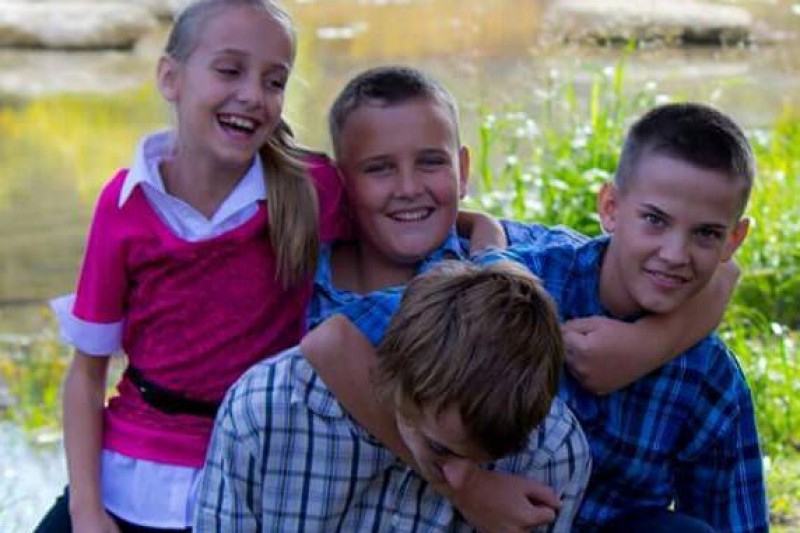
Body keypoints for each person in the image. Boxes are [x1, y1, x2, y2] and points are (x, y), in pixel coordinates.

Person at [316, 101, 769, 532]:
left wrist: (650, 345)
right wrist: (467, 489)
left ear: (734, 240)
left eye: (706, 234)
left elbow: (734, 520)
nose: (674, 254)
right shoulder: (519, 284)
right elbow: (334, 340)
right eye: (655, 220)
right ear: (610, 208)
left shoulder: (710, 379)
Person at [35, 1, 350, 531]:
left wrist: (477, 225)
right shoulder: (125, 204)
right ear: (170, 78)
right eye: (229, 70)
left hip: (251, 482)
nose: (253, 95)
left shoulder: (311, 189)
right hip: (127, 476)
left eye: (274, 81)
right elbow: (87, 375)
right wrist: (86, 509)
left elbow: (402, 218)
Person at [195, 259, 591, 532]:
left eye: (484, 460)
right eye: (440, 448)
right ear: (394, 378)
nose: (460, 480)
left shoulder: (552, 450)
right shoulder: (265, 412)